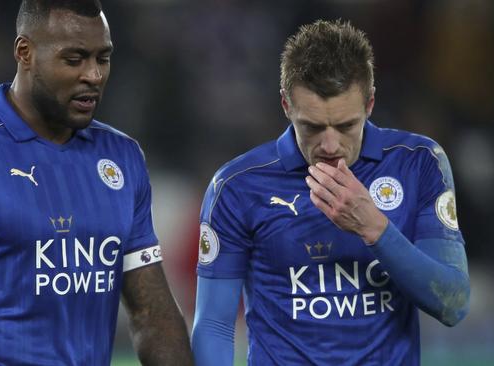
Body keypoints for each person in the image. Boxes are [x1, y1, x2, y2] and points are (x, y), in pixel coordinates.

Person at [0, 1, 193, 365]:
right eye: (75, 59)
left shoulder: (122, 158)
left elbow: (150, 315)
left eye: (103, 58)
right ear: (25, 52)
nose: (94, 75)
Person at [191, 19, 469, 365]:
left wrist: (375, 230)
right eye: (312, 126)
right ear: (286, 106)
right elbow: (214, 325)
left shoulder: (418, 164)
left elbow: (453, 304)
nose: (330, 145)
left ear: (369, 105)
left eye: (346, 125)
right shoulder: (237, 187)